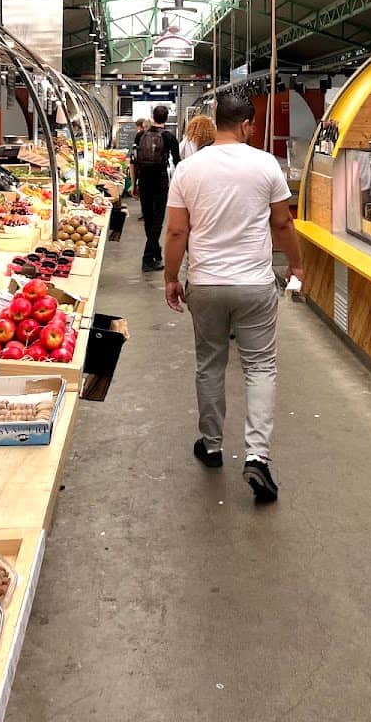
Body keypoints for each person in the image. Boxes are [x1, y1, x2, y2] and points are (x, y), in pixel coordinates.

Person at [163, 94, 303, 504]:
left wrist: (172, 278)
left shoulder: (188, 169)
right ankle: (257, 456)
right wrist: (297, 266)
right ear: (245, 125)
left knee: (210, 364)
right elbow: (283, 223)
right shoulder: (265, 165)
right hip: (255, 284)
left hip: (205, 283)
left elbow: (176, 233)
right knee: (260, 366)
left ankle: (211, 445)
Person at [133, 104, 180, 272]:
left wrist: (134, 183)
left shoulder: (139, 136)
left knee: (148, 219)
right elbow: (177, 163)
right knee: (157, 221)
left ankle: (155, 251)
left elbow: (133, 162)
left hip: (144, 181)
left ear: (153, 116)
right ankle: (148, 259)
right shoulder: (169, 137)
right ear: (166, 118)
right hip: (160, 182)